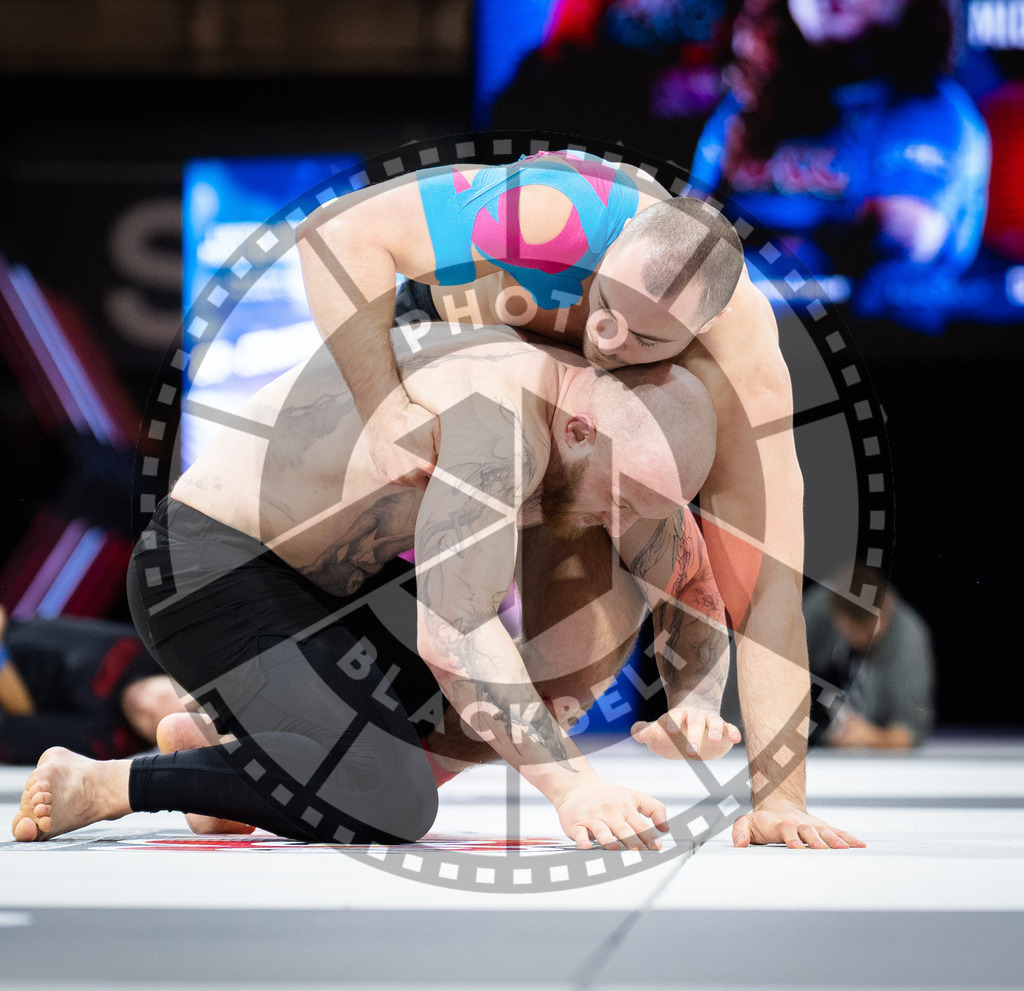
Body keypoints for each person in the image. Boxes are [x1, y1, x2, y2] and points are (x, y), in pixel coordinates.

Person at [12, 323, 778, 852]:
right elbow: (456, 635)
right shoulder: (496, 424)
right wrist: (575, 788)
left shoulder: (613, 433)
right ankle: (108, 783)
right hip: (207, 567)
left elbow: (686, 571)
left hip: (330, 581)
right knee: (394, 798)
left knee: (528, 690)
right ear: (579, 430)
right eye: (619, 499)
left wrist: (701, 705)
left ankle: (235, 760)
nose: (621, 523)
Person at [296, 146, 862, 850]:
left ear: (699, 337)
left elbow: (769, 588)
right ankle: (274, 716)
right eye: (605, 304)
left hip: (568, 441)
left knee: (583, 655)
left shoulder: (740, 366)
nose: (605, 337)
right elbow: (332, 233)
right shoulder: (558, 210)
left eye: (645, 338)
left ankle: (314, 774)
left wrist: (779, 798)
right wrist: (384, 414)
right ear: (614, 246)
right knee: (403, 544)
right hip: (449, 346)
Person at [690, 0, 990, 324]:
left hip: (874, 351)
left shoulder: (930, 111)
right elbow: (689, 237)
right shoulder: (747, 105)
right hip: (741, 345)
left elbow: (898, 240)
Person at [0, 604, 185, 765]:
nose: (144, 705)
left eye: (151, 720)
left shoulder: (108, 743)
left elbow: (13, 732)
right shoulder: (154, 648)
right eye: (164, 697)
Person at [805, 565, 934, 749]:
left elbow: (912, 730)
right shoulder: (819, 608)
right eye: (849, 632)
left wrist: (876, 737)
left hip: (870, 757)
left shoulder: (909, 639)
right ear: (835, 616)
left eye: (869, 631)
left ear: (885, 607)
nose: (859, 639)